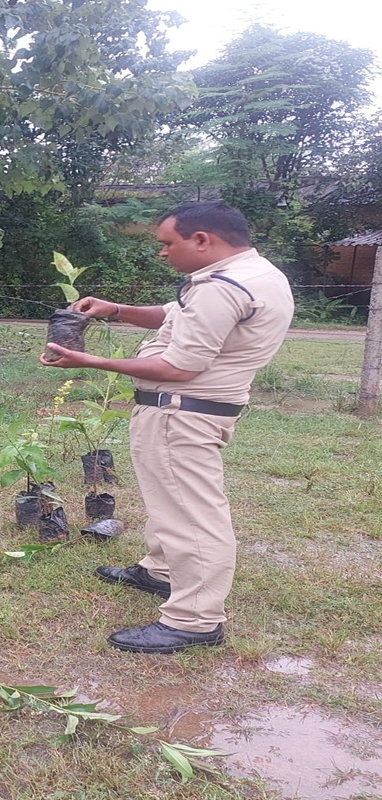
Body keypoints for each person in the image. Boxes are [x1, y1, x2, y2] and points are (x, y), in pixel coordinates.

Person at [41, 201, 294, 654]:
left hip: (181, 412)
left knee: (192, 516)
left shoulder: (224, 286)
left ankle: (195, 620)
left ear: (202, 240)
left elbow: (178, 365)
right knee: (169, 500)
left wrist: (89, 360)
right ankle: (160, 571)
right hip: (196, 409)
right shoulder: (255, 273)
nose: (162, 253)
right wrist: (116, 309)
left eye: (166, 243)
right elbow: (178, 317)